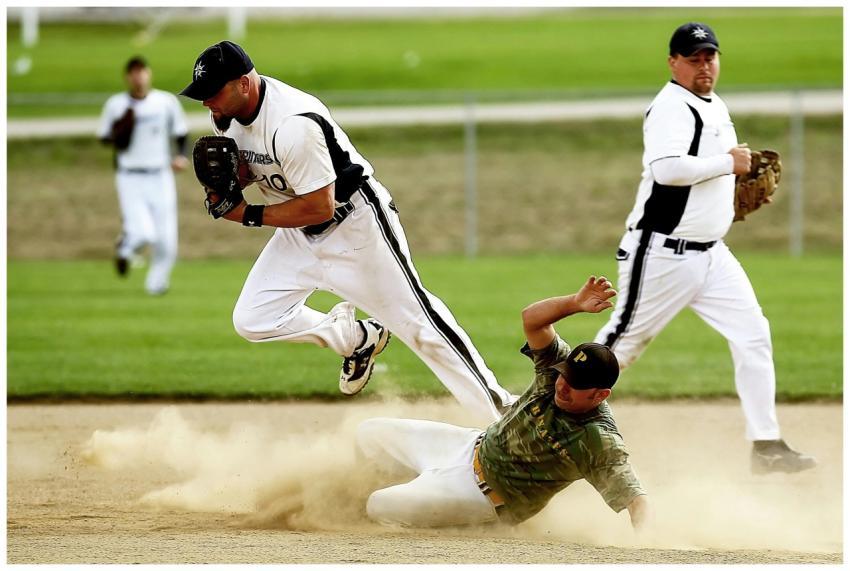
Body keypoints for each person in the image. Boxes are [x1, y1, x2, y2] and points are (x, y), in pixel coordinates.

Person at [178, 41, 514, 421]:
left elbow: (319, 205)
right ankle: (357, 338)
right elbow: (252, 170)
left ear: (242, 83)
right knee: (253, 318)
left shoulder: (293, 125)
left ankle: (503, 412)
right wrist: (227, 186)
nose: (206, 102)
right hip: (298, 234)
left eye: (212, 92)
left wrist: (247, 214)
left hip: (355, 227)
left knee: (419, 325)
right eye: (200, 94)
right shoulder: (226, 115)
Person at [593, 22, 816, 474]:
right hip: (661, 253)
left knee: (754, 335)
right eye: (693, 58)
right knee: (619, 347)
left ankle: (766, 445)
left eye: (710, 56)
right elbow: (668, 170)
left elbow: (708, 178)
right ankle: (540, 409)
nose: (704, 66)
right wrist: (728, 163)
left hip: (712, 253)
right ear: (673, 62)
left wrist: (727, 200)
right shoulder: (671, 108)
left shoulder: (715, 105)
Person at [357, 276, 649, 530]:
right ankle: (422, 487)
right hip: (468, 445)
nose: (564, 386)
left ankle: (465, 523)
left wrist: (648, 547)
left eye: (577, 385)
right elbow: (532, 319)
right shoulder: (555, 371)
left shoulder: (597, 438)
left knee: (378, 504)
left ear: (600, 395)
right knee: (368, 434)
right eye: (566, 376)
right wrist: (574, 303)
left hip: (481, 496)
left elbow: (636, 500)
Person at [98, 56, 190, 296]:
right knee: (144, 233)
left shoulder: (164, 102)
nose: (138, 76)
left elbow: (180, 132)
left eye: (142, 71)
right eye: (133, 72)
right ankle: (125, 249)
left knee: (167, 238)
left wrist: (181, 156)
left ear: (149, 74)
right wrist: (120, 133)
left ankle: (156, 285)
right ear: (127, 77)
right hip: (130, 176)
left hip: (160, 175)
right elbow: (104, 137)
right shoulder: (116, 105)